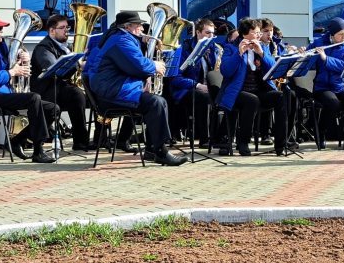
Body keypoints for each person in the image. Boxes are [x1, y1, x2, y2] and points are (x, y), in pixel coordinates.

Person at [87, 11, 186, 166]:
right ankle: (160, 151)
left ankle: (152, 149)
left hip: (116, 90)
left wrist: (144, 44)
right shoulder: (121, 40)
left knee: (156, 102)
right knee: (156, 103)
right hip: (113, 94)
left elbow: (129, 64)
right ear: (127, 27)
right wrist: (154, 65)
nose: (142, 28)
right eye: (138, 25)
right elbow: (139, 66)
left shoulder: (120, 38)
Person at [0, 14, 59, 163]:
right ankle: (38, 151)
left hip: (3, 94)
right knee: (34, 98)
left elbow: (9, 66)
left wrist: (23, 60)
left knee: (53, 109)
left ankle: (15, 142)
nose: (2, 31)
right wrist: (12, 72)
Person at [216, 17, 290, 156]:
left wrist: (261, 53)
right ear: (245, 34)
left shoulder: (262, 47)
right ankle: (243, 142)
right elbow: (225, 71)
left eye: (258, 33)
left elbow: (273, 69)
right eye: (255, 33)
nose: (258, 36)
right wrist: (239, 53)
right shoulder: (231, 48)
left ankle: (281, 144)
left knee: (281, 96)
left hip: (258, 90)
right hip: (237, 92)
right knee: (252, 100)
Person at [30, 13, 91, 152]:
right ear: (52, 31)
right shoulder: (43, 48)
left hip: (60, 88)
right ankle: (81, 141)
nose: (66, 31)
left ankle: (99, 138)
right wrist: (77, 64)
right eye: (62, 28)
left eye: (67, 27)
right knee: (76, 95)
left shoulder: (66, 46)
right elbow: (54, 69)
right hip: (47, 90)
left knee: (94, 94)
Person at [169, 17, 223, 148]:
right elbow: (175, 78)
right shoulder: (184, 50)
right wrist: (198, 85)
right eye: (207, 33)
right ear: (198, 32)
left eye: (212, 33)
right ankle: (205, 139)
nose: (211, 36)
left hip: (208, 89)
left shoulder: (215, 50)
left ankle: (222, 137)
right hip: (187, 90)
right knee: (205, 97)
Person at [309, 17, 344, 150]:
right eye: (340, 34)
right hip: (322, 86)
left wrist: (326, 59)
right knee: (332, 103)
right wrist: (304, 54)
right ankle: (321, 132)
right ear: (332, 34)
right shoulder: (319, 43)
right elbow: (308, 61)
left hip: (341, 84)